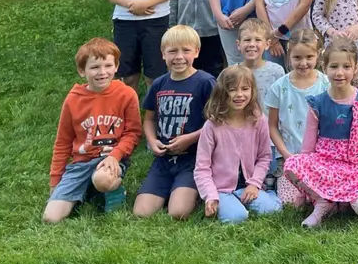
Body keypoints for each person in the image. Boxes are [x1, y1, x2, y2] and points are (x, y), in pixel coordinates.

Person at [282, 38, 358, 227]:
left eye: (346, 67)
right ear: (325, 68)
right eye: (334, 66)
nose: (340, 73)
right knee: (291, 164)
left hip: (355, 168)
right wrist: (304, 188)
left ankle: (343, 199)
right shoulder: (318, 103)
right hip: (326, 164)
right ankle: (324, 202)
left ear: (355, 69)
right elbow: (308, 148)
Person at [43, 38, 138, 223]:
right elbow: (63, 142)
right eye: (94, 67)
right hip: (81, 162)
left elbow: (133, 133)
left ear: (116, 66)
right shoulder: (73, 100)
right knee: (51, 218)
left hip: (111, 159)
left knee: (102, 179)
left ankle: (113, 189)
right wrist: (55, 181)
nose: (102, 72)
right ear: (82, 71)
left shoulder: (126, 94)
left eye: (108, 65)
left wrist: (116, 155)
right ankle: (89, 189)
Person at [133, 25, 215, 220]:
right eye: (172, 51)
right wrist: (152, 141)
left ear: (196, 52)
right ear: (163, 54)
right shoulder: (160, 84)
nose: (179, 57)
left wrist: (191, 138)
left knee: (178, 213)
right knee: (141, 213)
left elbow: (216, 122)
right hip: (164, 158)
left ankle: (187, 192)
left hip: (194, 158)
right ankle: (170, 189)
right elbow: (150, 118)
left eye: (186, 50)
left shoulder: (205, 82)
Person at [193, 65, 281, 223]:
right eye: (232, 89)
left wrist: (254, 184)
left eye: (245, 89)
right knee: (237, 217)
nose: (239, 95)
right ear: (222, 92)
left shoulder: (258, 120)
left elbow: (264, 157)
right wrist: (210, 196)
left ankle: (266, 195)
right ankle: (227, 203)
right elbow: (202, 167)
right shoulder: (212, 126)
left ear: (252, 91)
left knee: (271, 210)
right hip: (221, 188)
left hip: (248, 184)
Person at [267, 28, 330, 205]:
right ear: (289, 55)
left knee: (320, 194)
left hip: (320, 156)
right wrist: (286, 154)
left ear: (318, 55)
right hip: (290, 156)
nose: (303, 63)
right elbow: (272, 126)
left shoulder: (326, 84)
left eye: (309, 57)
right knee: (290, 202)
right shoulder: (279, 87)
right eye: (297, 58)